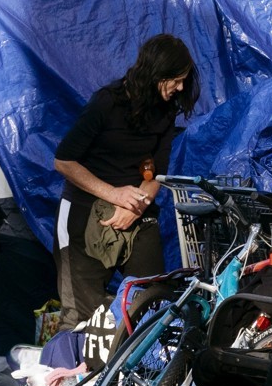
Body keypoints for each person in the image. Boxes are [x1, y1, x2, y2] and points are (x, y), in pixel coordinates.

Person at [52, 33, 200, 331]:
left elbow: (158, 170)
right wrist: (115, 195)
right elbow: (63, 161)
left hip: (137, 213)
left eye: (184, 80)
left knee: (151, 307)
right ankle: (74, 374)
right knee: (84, 319)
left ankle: (143, 373)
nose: (181, 87)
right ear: (155, 73)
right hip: (86, 213)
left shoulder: (166, 110)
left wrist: (137, 206)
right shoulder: (107, 103)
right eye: (175, 79)